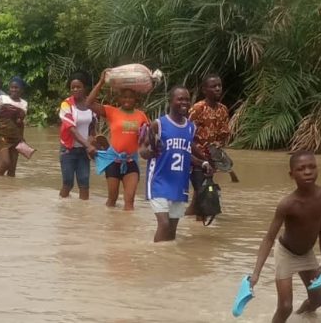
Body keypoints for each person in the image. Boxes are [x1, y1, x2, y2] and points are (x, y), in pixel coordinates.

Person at [250, 150, 321, 323]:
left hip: (307, 253)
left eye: (312, 167)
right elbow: (269, 238)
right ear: (291, 174)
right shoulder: (287, 204)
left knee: (319, 300)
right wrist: (256, 273)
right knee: (285, 306)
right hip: (286, 253)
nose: (308, 172)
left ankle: (302, 317)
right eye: (301, 169)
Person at [140, 86, 212, 242]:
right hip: (158, 181)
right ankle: (156, 258)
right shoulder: (158, 124)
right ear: (170, 101)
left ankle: (168, 261)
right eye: (180, 99)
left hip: (179, 184)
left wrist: (203, 163)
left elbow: (185, 153)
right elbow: (143, 150)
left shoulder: (191, 128)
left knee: (172, 229)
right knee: (164, 224)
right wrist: (150, 152)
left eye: (187, 99)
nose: (184, 102)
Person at [86, 69, 149, 211]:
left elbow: (147, 137)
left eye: (131, 97)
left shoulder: (142, 116)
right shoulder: (111, 111)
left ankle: (127, 230)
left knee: (130, 201)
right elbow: (89, 103)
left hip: (131, 162)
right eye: (124, 97)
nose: (127, 100)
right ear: (119, 99)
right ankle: (111, 229)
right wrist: (101, 82)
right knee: (112, 200)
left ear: (136, 100)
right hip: (113, 161)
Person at [186, 74, 230, 216]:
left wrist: (217, 153)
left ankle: (192, 218)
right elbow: (187, 135)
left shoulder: (223, 109)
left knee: (200, 192)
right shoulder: (197, 109)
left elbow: (223, 134)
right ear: (204, 90)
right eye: (213, 86)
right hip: (197, 158)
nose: (217, 89)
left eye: (219, 85)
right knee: (203, 191)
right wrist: (198, 156)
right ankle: (201, 225)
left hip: (212, 158)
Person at [59, 71, 97, 200]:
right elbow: (71, 129)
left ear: (85, 88)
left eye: (78, 87)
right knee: (68, 183)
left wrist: (92, 143)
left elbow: (92, 128)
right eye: (72, 87)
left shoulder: (91, 105)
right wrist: (88, 145)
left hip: (83, 151)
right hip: (68, 150)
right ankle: (62, 209)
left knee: (84, 184)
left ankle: (83, 214)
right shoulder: (66, 104)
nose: (75, 89)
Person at [0, 76, 28, 177]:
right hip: (2, 135)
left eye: (16, 88)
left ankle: (8, 190)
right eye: (12, 87)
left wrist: (21, 138)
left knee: (12, 171)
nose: (14, 90)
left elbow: (20, 122)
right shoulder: (3, 99)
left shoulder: (24, 103)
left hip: (16, 137)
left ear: (21, 90)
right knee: (5, 163)